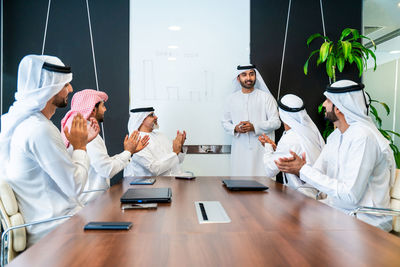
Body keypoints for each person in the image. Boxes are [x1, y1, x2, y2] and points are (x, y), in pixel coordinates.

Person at [0, 55, 97, 246]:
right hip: (57, 233)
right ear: (49, 89)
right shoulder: (39, 130)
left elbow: (48, 176)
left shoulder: (22, 124)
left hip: (53, 227)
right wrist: (81, 146)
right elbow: (76, 187)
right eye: (65, 85)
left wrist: (73, 145)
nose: (70, 89)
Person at [275, 80, 396, 231]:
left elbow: (350, 196)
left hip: (365, 221)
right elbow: (316, 174)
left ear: (339, 107)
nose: (324, 105)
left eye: (328, 100)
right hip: (338, 212)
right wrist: (298, 169)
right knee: (283, 220)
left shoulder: (364, 137)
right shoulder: (335, 137)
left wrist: (304, 170)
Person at [61, 89, 149, 204]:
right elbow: (107, 170)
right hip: (90, 205)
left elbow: (104, 163)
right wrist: (127, 152)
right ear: (93, 110)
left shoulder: (82, 130)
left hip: (91, 202)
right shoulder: (86, 133)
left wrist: (129, 152)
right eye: (103, 106)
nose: (105, 109)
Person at [259, 94, 325, 197]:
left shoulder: (291, 138)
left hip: (302, 198)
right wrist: (276, 149)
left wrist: (268, 146)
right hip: (316, 195)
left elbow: (269, 170)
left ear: (281, 113)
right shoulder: (310, 130)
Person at [222, 64, 281, 176]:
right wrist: (235, 128)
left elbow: (276, 122)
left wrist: (254, 127)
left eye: (251, 74)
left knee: (263, 185)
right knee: (239, 184)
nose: (248, 78)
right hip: (240, 150)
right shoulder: (231, 99)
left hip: (261, 150)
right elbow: (225, 122)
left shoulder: (266, 98)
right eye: (244, 75)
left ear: (255, 76)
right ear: (238, 78)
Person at [123, 107, 188, 177]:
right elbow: (154, 169)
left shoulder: (161, 136)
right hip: (147, 186)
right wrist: (175, 152)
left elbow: (177, 161)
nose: (156, 117)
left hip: (171, 180)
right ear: (141, 119)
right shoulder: (135, 141)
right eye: (151, 115)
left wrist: (179, 147)